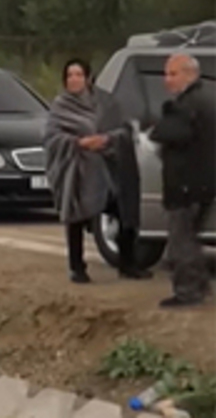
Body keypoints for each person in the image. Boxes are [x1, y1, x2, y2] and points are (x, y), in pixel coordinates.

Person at [44, 59, 151, 283]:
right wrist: (78, 143)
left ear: (89, 77)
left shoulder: (105, 102)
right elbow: (51, 138)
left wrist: (106, 139)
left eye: (78, 75)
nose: (74, 80)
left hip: (107, 168)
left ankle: (127, 263)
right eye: (70, 75)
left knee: (123, 212)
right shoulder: (60, 106)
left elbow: (123, 129)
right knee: (75, 218)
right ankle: (77, 267)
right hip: (77, 170)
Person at [150, 53, 215, 308]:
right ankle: (200, 286)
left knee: (181, 242)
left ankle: (188, 292)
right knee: (191, 239)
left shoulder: (186, 106)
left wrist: (160, 123)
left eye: (173, 74)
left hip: (186, 184)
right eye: (166, 74)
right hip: (204, 183)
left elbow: (167, 133)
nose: (167, 80)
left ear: (190, 74)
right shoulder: (208, 100)